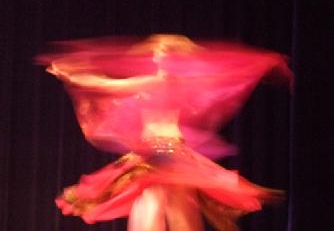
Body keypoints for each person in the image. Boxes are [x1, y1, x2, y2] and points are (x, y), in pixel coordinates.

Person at [38, 34, 292, 231]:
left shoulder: (163, 82)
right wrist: (74, 74)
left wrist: (73, 74)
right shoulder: (154, 81)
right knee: (158, 212)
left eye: (165, 52)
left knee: (173, 215)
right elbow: (104, 85)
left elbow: (104, 84)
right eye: (157, 52)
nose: (158, 55)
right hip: (152, 156)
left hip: (170, 155)